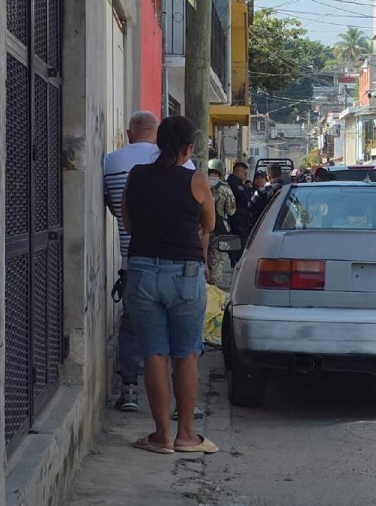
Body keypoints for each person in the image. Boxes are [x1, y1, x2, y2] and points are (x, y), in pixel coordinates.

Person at [122, 115, 218, 455]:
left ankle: (161, 436)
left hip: (143, 272)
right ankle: (187, 435)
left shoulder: (136, 176)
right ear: (188, 148)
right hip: (185, 275)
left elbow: (129, 223)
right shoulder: (197, 180)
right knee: (186, 354)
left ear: (158, 144)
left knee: (154, 354)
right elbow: (209, 223)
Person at [103, 111, 195, 413]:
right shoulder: (189, 168)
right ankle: (185, 408)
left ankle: (130, 390)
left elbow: (121, 214)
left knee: (135, 333)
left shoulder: (112, 162)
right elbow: (201, 221)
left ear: (129, 134)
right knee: (184, 342)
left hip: (136, 261)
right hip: (182, 263)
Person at [206, 159, 236, 286]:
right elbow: (231, 211)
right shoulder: (224, 188)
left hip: (200, 229)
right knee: (216, 266)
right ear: (220, 172)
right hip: (219, 230)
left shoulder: (199, 183)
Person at [226, 162, 251, 265]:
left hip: (238, 219)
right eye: (244, 173)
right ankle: (236, 261)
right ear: (238, 171)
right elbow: (244, 198)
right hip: (237, 219)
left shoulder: (237, 183)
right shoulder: (234, 182)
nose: (245, 176)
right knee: (238, 245)